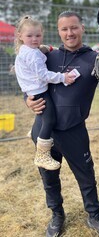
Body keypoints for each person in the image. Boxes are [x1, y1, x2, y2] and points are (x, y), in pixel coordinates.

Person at [25, 11, 99, 237]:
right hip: (44, 131)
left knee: (86, 177)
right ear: (59, 31)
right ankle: (57, 215)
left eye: (74, 28)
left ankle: (94, 215)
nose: (69, 33)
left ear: (82, 28)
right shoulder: (46, 57)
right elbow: (29, 83)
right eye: (64, 29)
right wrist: (28, 101)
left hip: (74, 132)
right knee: (49, 178)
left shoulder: (93, 58)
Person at [14, 15, 75, 171]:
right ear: (20, 36)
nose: (34, 39)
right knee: (50, 120)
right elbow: (44, 75)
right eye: (29, 36)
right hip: (38, 91)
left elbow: (38, 50)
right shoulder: (33, 54)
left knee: (43, 114)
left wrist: (45, 48)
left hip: (31, 91)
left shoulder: (25, 49)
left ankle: (35, 132)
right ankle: (42, 155)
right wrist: (63, 78)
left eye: (38, 35)